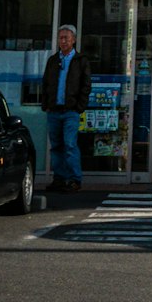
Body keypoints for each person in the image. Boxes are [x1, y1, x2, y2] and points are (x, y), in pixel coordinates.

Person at [40, 23, 92, 193]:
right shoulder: (53, 60)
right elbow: (46, 83)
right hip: (54, 110)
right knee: (56, 146)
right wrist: (46, 104)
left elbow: (86, 85)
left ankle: (75, 179)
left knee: (70, 144)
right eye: (61, 38)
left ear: (74, 40)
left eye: (66, 38)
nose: (63, 41)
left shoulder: (81, 60)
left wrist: (79, 107)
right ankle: (59, 178)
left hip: (71, 110)